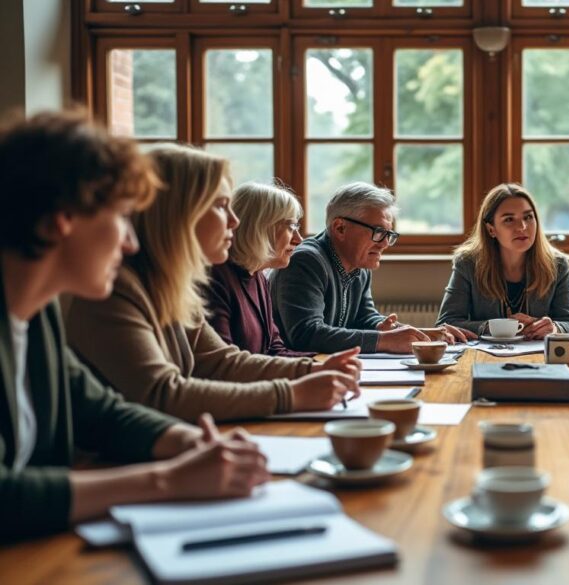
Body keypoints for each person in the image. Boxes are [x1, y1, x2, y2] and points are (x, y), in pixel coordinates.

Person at [0, 111, 268, 542]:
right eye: (123, 216)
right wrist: (168, 480)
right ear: (61, 218)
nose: (131, 241)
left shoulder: (36, 315)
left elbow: (101, 412)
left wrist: (189, 443)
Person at [66, 144, 361, 423]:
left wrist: (311, 369)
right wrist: (292, 393)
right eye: (221, 206)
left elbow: (221, 361)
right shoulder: (118, 290)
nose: (234, 221)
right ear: (179, 214)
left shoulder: (171, 284)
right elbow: (160, 394)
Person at [271, 182, 468, 354]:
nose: (384, 244)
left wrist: (414, 333)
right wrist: (385, 340)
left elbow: (364, 317)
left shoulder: (359, 263)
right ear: (340, 228)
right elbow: (307, 334)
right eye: (378, 232)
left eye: (389, 234)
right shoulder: (306, 261)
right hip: (299, 373)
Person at [436, 183, 569, 339]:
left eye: (528, 217)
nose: (522, 226)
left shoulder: (557, 265)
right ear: (491, 229)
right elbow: (445, 323)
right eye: (509, 219)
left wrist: (554, 328)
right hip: (485, 356)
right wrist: (493, 328)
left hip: (540, 357)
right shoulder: (468, 263)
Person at [201, 182, 314, 358]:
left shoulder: (258, 275)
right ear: (261, 227)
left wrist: (321, 364)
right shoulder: (216, 278)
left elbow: (275, 350)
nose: (299, 239)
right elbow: (224, 365)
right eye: (291, 227)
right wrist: (312, 369)